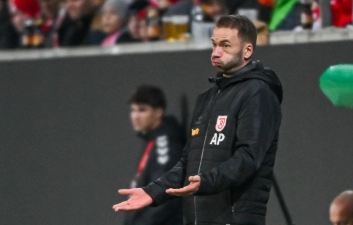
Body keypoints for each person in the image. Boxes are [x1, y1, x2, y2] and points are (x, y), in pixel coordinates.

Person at [113, 14, 283, 225]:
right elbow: (188, 163)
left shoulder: (258, 92)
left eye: (226, 45)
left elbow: (248, 158)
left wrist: (205, 182)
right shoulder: (207, 98)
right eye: (214, 44)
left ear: (247, 50)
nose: (216, 52)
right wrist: (153, 192)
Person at [124, 84, 185, 225]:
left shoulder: (165, 142)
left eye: (142, 110)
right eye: (133, 110)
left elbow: (165, 195)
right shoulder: (153, 139)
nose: (135, 116)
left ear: (158, 112)